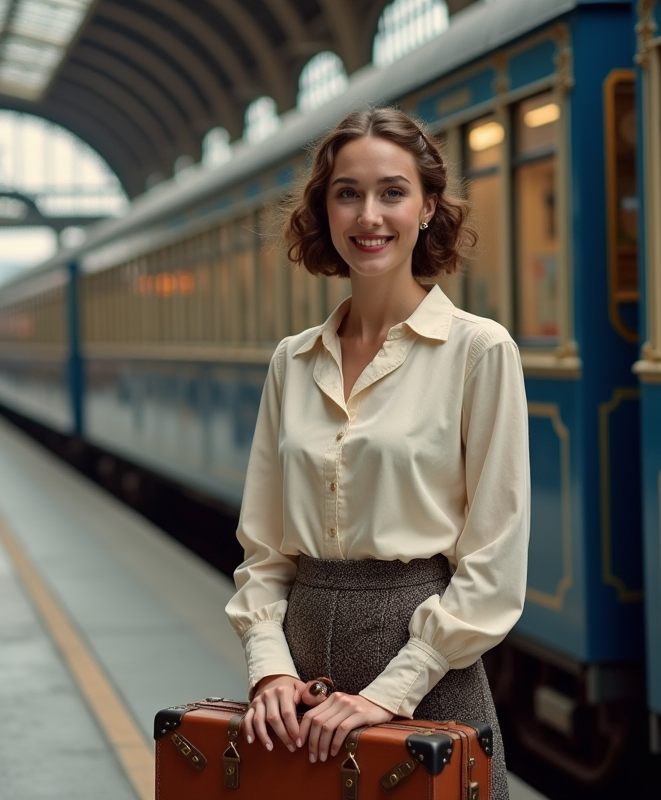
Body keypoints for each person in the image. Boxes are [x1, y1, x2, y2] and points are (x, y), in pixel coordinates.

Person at [224, 108, 529, 799]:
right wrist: (269, 668)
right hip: (299, 690)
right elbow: (266, 554)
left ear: (427, 208)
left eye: (392, 191)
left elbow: (494, 566)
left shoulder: (479, 352)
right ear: (324, 211)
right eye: (347, 193)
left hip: (427, 665)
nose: (370, 215)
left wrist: (392, 692)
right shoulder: (292, 361)